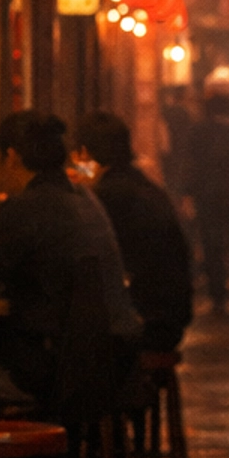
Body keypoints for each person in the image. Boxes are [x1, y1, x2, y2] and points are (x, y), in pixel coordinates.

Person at [0, 110, 138, 419]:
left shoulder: (26, 206)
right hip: (110, 360)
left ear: (12, 158)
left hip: (55, 369)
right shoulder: (85, 198)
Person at [75, 110, 193, 352]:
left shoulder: (107, 198)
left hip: (144, 322)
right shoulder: (144, 186)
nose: (77, 168)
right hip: (170, 318)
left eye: (78, 160)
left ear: (85, 154)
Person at [181, 88, 229, 316]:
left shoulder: (198, 132)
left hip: (208, 198)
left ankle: (218, 297)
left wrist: (188, 194)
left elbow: (191, 166)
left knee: (212, 247)